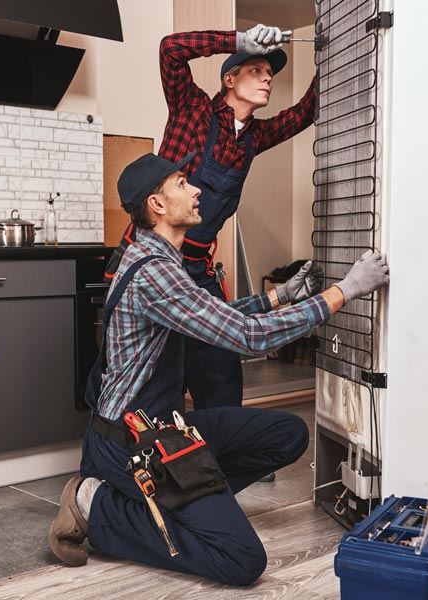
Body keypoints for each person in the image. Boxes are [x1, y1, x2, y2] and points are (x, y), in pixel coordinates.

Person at [49, 153, 389, 585]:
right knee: (241, 558)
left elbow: (214, 316)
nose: (196, 191)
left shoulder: (158, 260)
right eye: (182, 183)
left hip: (164, 428)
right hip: (134, 445)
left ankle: (188, 500)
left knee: (288, 435)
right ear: (157, 205)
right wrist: (346, 291)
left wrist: (281, 295)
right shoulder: (155, 273)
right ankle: (96, 505)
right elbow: (248, 337)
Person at [106, 24, 318, 412]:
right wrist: (238, 41)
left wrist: (334, 45)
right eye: (256, 69)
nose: (268, 77)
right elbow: (170, 48)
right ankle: (142, 460)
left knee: (221, 367)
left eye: (270, 73)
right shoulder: (194, 109)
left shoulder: (254, 138)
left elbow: (305, 111)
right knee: (152, 373)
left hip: (198, 269)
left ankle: (228, 447)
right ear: (229, 78)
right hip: (152, 259)